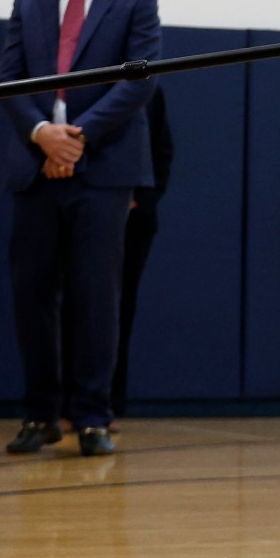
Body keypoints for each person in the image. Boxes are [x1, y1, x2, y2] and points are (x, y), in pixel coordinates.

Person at [0, 0, 160, 456]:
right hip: (36, 165)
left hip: (105, 169)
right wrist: (44, 136)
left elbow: (139, 80)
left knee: (96, 296)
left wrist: (79, 138)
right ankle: (40, 414)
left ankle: (92, 416)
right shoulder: (28, 1)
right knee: (32, 295)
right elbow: (11, 82)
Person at [108, 85, 173, 419]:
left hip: (134, 217)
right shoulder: (81, 81)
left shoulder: (149, 90)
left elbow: (163, 151)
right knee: (71, 305)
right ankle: (63, 404)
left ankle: (106, 404)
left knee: (119, 309)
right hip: (86, 205)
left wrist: (142, 198)